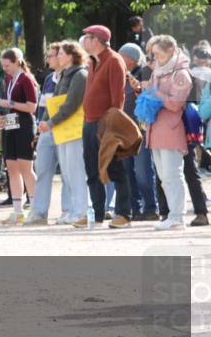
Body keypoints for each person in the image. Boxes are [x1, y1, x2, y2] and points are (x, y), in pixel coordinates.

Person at [80, 25, 134, 228]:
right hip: (89, 122)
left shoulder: (113, 60)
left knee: (115, 168)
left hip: (106, 125)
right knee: (92, 170)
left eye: (87, 37)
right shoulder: (93, 61)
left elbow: (117, 97)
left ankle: (123, 214)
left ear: (97, 40)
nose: (84, 41)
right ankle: (98, 213)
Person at [31, 42, 89, 226]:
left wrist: (50, 122)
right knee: (68, 172)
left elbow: (71, 104)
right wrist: (47, 121)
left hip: (73, 130)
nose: (58, 57)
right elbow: (54, 100)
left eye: (61, 54)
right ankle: (74, 211)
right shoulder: (65, 74)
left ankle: (80, 211)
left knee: (76, 172)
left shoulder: (80, 75)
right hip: (62, 129)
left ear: (71, 56)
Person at [147, 35, 193, 229]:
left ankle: (176, 216)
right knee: (164, 177)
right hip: (155, 129)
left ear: (171, 51)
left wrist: (154, 93)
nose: (154, 58)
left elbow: (175, 104)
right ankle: (173, 215)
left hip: (172, 130)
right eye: (152, 54)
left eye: (157, 54)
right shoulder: (157, 72)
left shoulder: (181, 74)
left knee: (173, 174)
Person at [0, 48, 38, 224]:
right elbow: (13, 107)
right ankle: (18, 211)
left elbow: (32, 107)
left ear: (17, 61)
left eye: (7, 65)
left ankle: (35, 209)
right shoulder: (9, 79)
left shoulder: (26, 78)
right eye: (3, 65)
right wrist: (3, 120)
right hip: (12, 124)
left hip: (24, 126)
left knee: (26, 168)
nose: (5, 69)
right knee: (11, 168)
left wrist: (7, 103)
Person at [120, 43, 159, 219]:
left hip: (141, 129)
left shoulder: (145, 73)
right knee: (127, 170)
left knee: (143, 170)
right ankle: (134, 208)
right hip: (124, 130)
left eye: (122, 57)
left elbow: (150, 98)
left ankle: (151, 208)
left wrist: (138, 89)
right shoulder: (121, 76)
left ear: (130, 59)